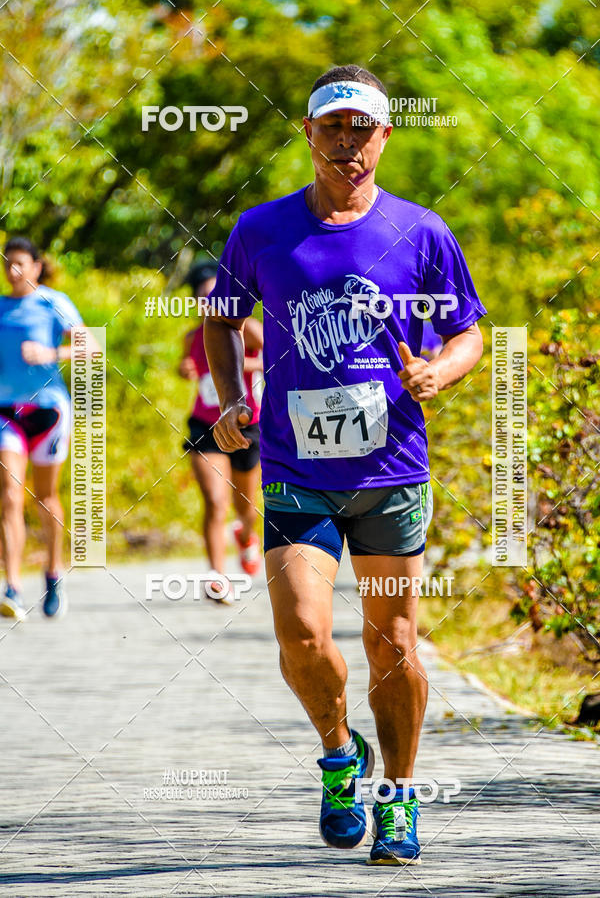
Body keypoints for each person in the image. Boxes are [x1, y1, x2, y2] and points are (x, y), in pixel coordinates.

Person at [204, 65, 486, 864]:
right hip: (295, 465)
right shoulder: (261, 231)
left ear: (385, 136)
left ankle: (398, 797)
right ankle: (339, 752)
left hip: (392, 471)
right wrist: (230, 402)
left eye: (362, 128)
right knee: (300, 634)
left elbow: (468, 331)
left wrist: (440, 370)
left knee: (393, 644)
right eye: (332, 127)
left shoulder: (422, 230)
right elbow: (221, 319)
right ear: (308, 133)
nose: (347, 143)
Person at [0, 237, 86, 620]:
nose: (13, 271)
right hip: (6, 412)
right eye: (7, 264)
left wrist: (51, 353)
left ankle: (53, 573)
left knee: (45, 497)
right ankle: (12, 588)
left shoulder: (53, 302)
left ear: (36, 266)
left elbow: (90, 345)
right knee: (9, 496)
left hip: (48, 411)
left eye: (20, 264)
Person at [179, 262, 263, 603]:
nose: (208, 301)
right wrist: (183, 369)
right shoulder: (192, 337)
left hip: (246, 423)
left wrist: (240, 363)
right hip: (206, 425)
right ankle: (217, 577)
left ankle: (246, 533)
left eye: (214, 294)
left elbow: (281, 357)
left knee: (247, 506)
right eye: (201, 297)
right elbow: (189, 367)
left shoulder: (252, 329)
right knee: (215, 501)